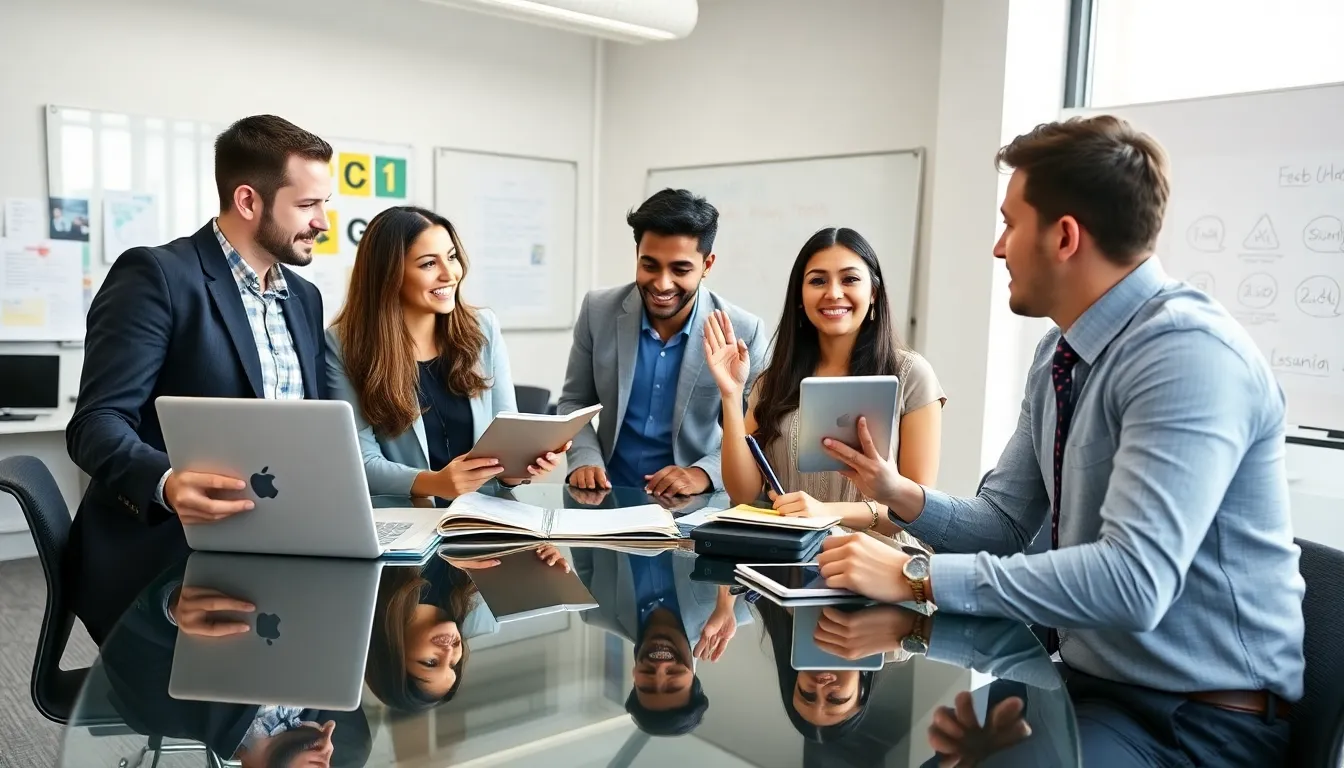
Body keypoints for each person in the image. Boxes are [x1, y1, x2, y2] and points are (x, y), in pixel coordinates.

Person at [817, 116, 1305, 767]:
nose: (999, 248)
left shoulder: (1187, 354)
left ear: (1065, 236)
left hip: (1194, 719)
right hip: (1084, 686)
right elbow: (1002, 524)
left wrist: (917, 576)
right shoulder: (1061, 354)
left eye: (1010, 224)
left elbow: (1133, 582)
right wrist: (896, 492)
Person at [65, 115, 333, 643]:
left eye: (324, 204)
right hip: (171, 557)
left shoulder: (304, 298)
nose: (323, 222)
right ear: (248, 201)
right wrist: (167, 482)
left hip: (279, 542)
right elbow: (96, 423)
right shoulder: (157, 276)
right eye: (307, 205)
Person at [705, 227, 944, 548]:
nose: (833, 292)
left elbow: (919, 509)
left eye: (850, 279)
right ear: (800, 298)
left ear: (874, 292)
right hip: (790, 559)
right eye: (818, 281)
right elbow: (743, 493)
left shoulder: (911, 374)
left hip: (882, 566)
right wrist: (731, 396)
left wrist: (826, 513)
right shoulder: (773, 380)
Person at [326, 206, 562, 498]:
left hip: (485, 518)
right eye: (428, 264)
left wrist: (520, 468)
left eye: (451, 257)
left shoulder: (482, 328)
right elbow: (360, 462)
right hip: (406, 523)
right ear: (389, 274)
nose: (450, 274)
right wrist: (434, 483)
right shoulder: (344, 344)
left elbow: (505, 439)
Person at [557, 188, 768, 497]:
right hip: (606, 498)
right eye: (650, 265)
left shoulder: (742, 331)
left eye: (680, 269)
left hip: (696, 504)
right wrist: (585, 459)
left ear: (707, 265)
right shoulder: (597, 310)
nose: (662, 283)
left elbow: (758, 431)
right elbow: (574, 402)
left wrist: (703, 472)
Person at [571, 548, 748, 736]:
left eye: (647, 685)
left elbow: (577, 536)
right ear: (693, 679)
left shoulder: (596, 610)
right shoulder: (735, 611)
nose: (660, 668)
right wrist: (726, 601)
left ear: (634, 679)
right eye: (673, 684)